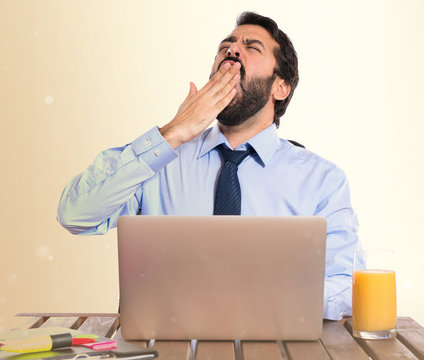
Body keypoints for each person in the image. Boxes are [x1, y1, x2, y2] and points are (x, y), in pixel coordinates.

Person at [57, 12, 360, 320]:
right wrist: (173, 132)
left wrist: (263, 299)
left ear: (280, 88)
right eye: (225, 46)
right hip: (169, 347)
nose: (232, 51)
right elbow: (76, 214)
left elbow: (346, 285)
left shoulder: (321, 180)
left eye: (252, 47)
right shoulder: (160, 161)